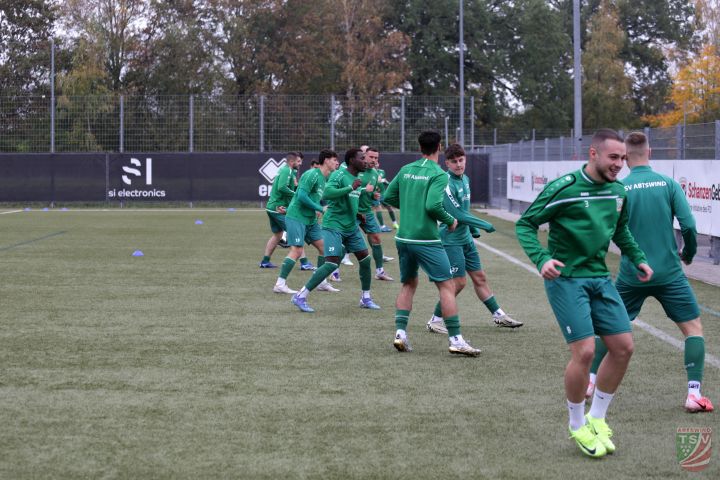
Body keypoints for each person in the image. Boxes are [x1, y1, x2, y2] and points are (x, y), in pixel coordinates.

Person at [516, 129, 653, 458]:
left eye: (623, 158)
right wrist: (542, 258)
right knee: (586, 352)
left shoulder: (619, 191)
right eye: (614, 157)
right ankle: (577, 423)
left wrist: (638, 258)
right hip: (567, 279)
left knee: (623, 348)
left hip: (600, 278)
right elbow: (525, 224)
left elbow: (621, 230)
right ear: (593, 154)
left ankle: (597, 418)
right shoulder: (563, 188)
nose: (620, 164)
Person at [586, 131, 713, 413]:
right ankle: (694, 394)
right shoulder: (668, 184)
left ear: (625, 157)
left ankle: (590, 381)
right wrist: (689, 254)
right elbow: (689, 225)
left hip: (632, 275)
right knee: (693, 329)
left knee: (609, 327)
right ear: (650, 153)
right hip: (669, 273)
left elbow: (603, 232)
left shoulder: (619, 188)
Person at [383, 130, 481, 357]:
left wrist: (408, 206)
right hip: (426, 239)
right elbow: (432, 206)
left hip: (403, 239)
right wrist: (450, 220)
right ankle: (456, 339)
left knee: (408, 284)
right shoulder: (439, 174)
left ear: (420, 148)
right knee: (448, 286)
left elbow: (388, 196)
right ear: (439, 147)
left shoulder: (406, 169)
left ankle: (400, 334)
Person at [425, 144, 523, 333]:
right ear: (447, 163)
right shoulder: (445, 182)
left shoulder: (465, 179)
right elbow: (456, 213)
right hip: (451, 239)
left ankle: (498, 315)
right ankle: (435, 320)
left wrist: (472, 230)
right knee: (459, 283)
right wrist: (483, 224)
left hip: (465, 239)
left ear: (465, 159)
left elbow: (464, 210)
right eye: (454, 162)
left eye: (461, 160)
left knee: (480, 278)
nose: (458, 165)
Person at [292, 148, 381, 312]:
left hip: (351, 226)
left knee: (365, 259)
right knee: (332, 263)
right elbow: (328, 193)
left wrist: (357, 213)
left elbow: (351, 198)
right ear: (352, 161)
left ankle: (366, 298)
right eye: (362, 158)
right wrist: (350, 188)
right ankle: (300, 295)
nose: (366, 161)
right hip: (334, 225)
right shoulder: (339, 174)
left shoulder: (357, 177)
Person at [273, 149, 340, 294]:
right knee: (296, 250)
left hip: (310, 220)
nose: (337, 163)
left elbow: (320, 198)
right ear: (326, 160)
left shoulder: (325, 178)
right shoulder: (311, 174)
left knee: (324, 248)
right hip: (297, 217)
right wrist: (320, 208)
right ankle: (280, 284)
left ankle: (321, 282)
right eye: (335, 160)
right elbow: (301, 196)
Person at [260, 152, 314, 270]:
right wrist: (296, 195)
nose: (300, 164)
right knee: (296, 233)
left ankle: (265, 261)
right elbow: (282, 187)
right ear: (291, 162)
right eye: (298, 161)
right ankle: (304, 263)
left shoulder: (287, 170)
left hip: (272, 208)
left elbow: (286, 187)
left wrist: (295, 187)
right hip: (278, 209)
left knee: (278, 235)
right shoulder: (287, 170)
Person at [358, 147, 394, 281]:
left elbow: (371, 193)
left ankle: (379, 271)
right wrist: (363, 189)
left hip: (367, 211)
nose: (373, 160)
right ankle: (335, 272)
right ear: (364, 156)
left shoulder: (374, 173)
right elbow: (347, 190)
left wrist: (374, 195)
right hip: (352, 212)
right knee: (346, 243)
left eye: (376, 158)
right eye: (371, 157)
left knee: (376, 239)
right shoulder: (355, 170)